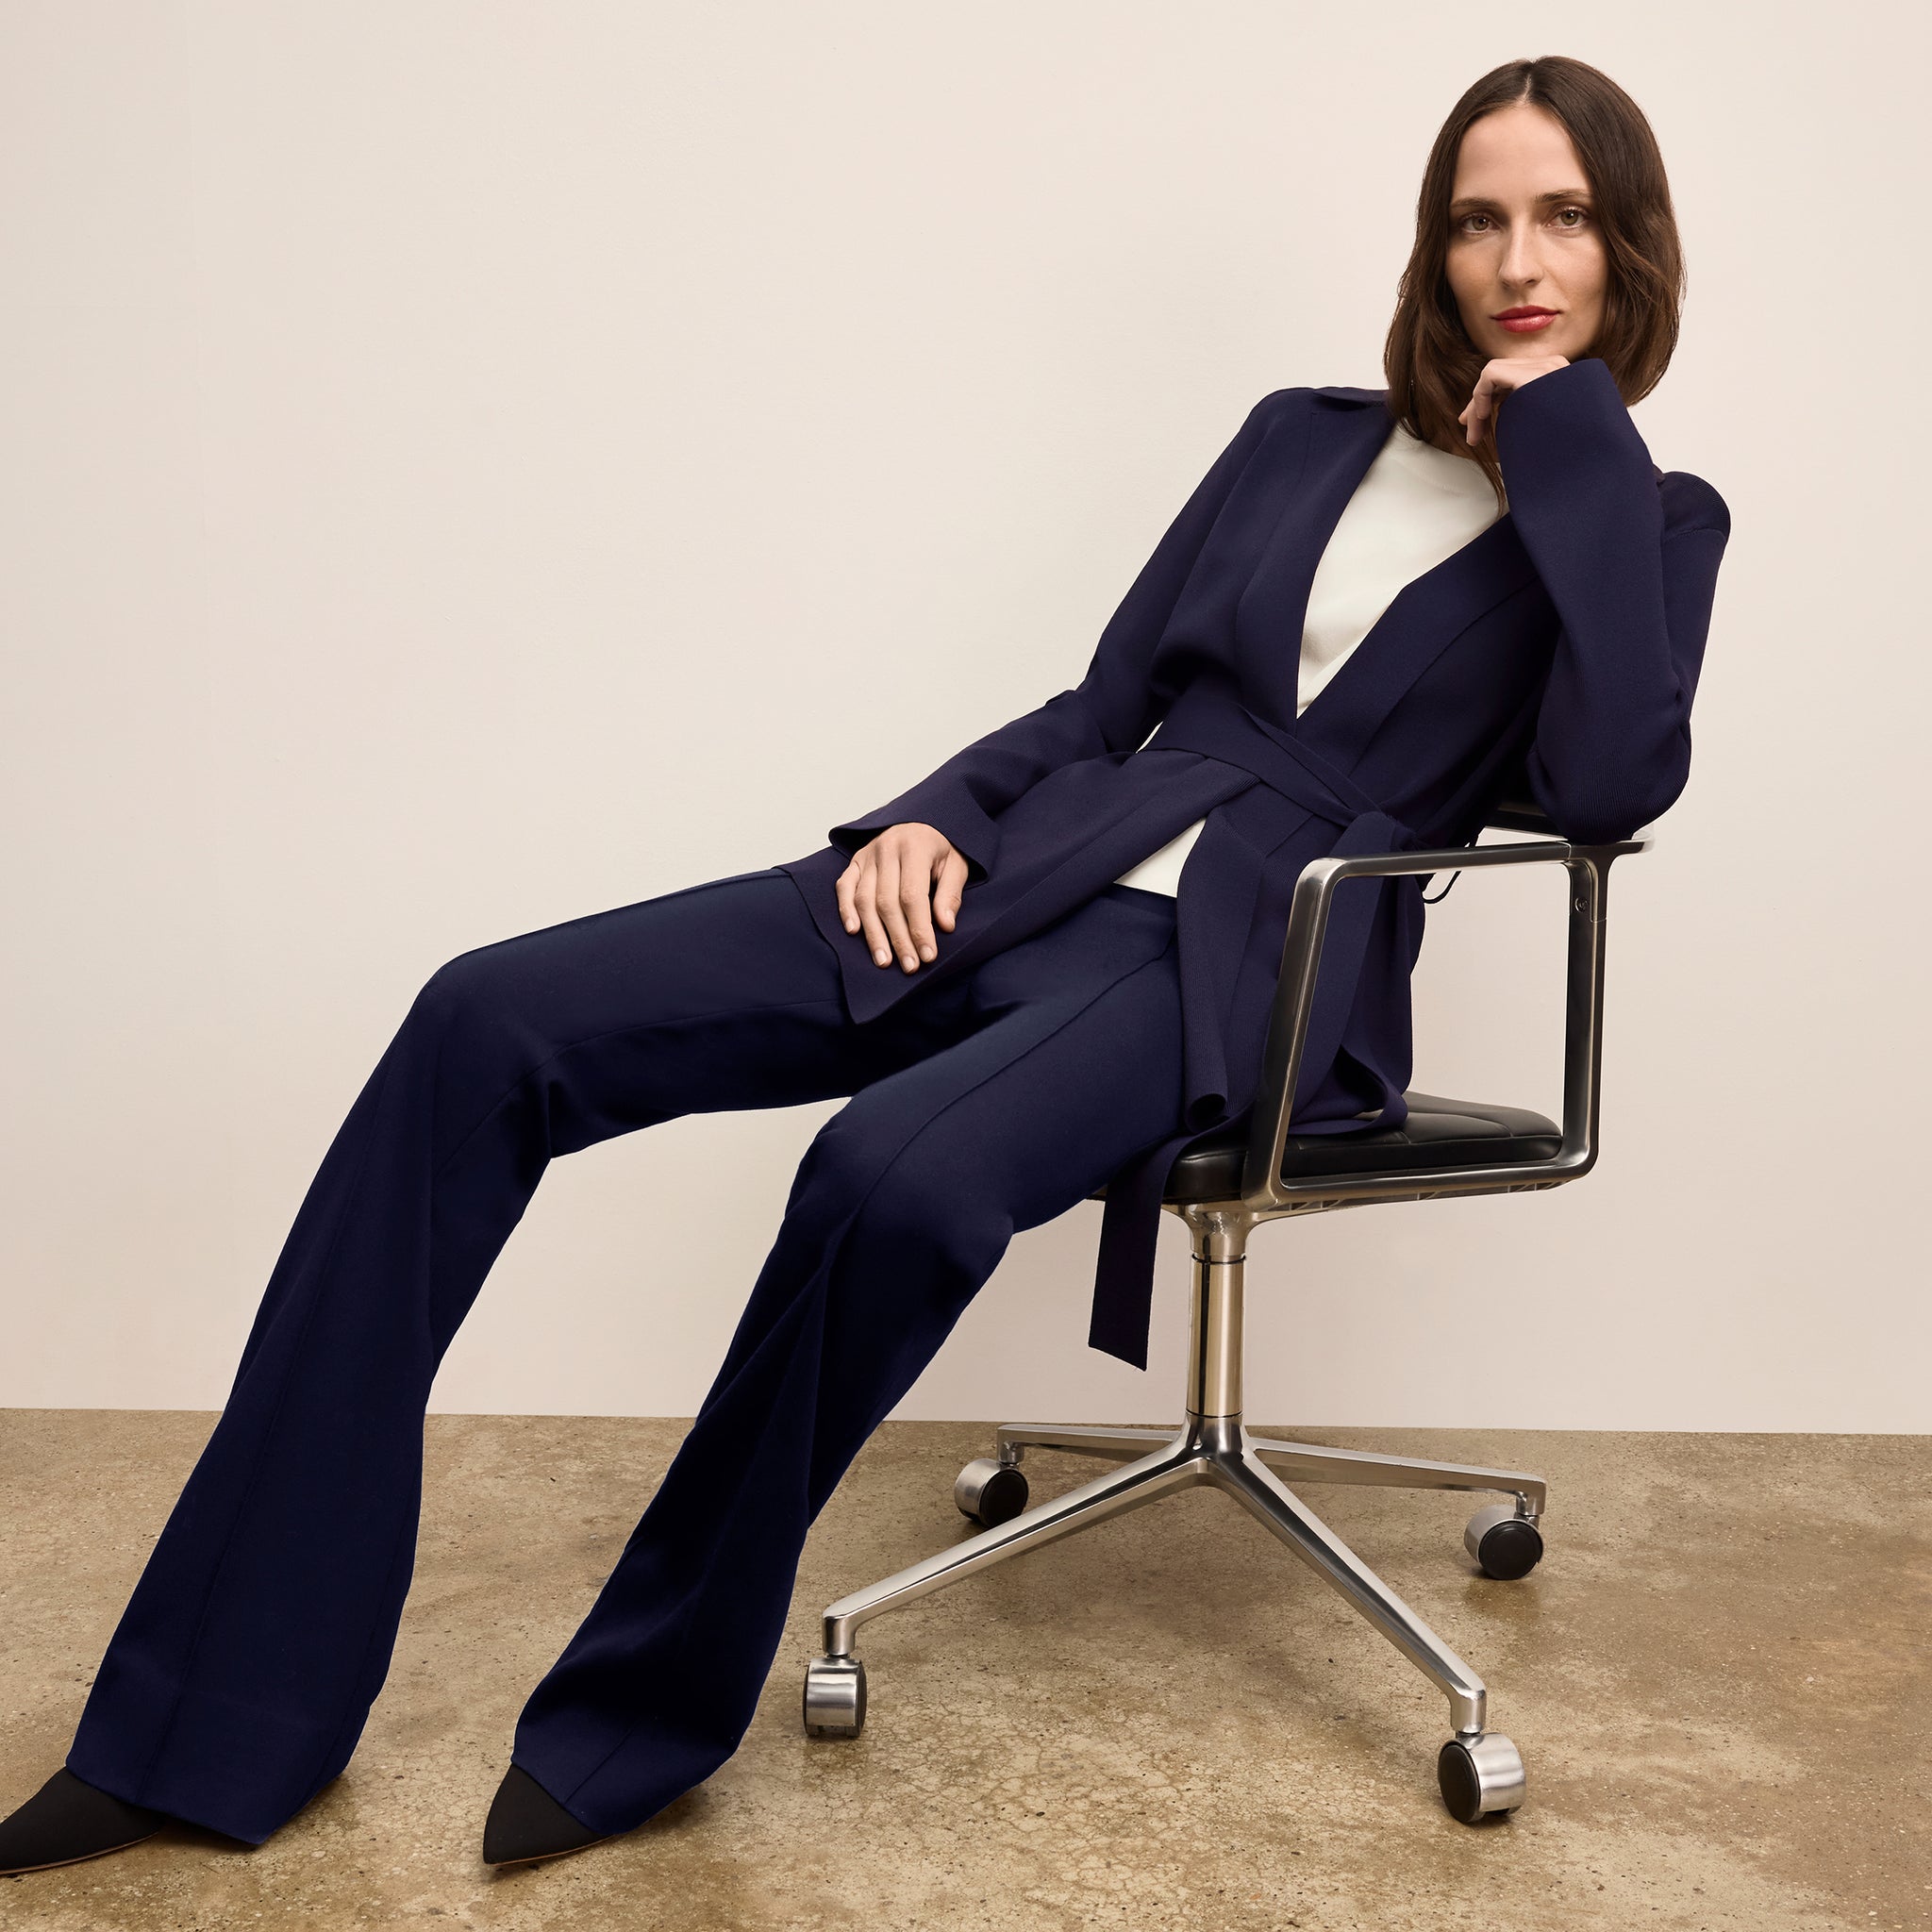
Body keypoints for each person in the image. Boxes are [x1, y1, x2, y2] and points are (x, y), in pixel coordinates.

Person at [0, 52, 1731, 1875]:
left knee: (885, 1178)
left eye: (1564, 217)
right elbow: (1105, 698)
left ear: (1629, 246)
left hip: (1248, 972)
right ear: (1431, 244)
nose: (1516, 259)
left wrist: (1571, 446)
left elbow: (1613, 781)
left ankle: (639, 1716)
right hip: (1030, 868)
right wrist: (924, 821)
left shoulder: (1646, 516)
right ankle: (207, 1722)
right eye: (1478, 217)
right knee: (485, 1019)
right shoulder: (1299, 438)